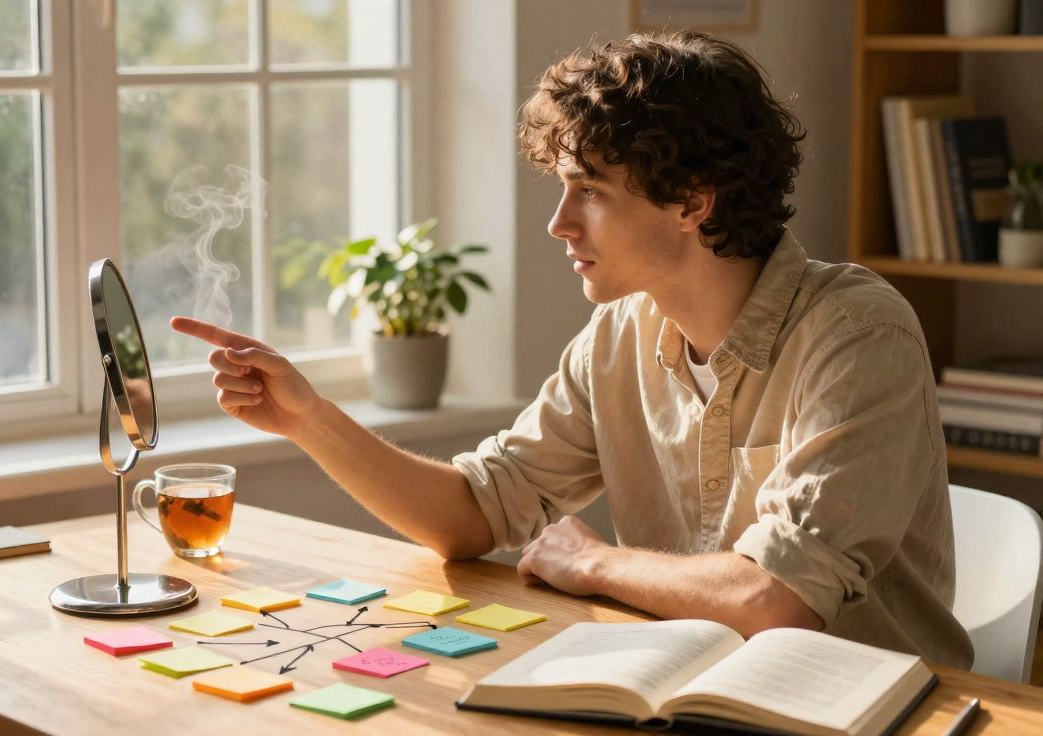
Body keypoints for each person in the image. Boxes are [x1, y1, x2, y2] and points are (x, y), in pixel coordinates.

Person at [172, 31, 973, 668]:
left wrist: (593, 564)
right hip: (682, 689)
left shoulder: (857, 335)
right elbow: (476, 513)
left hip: (867, 710)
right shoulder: (620, 334)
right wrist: (308, 418)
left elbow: (777, 600)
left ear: (693, 202)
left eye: (590, 190)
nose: (559, 223)